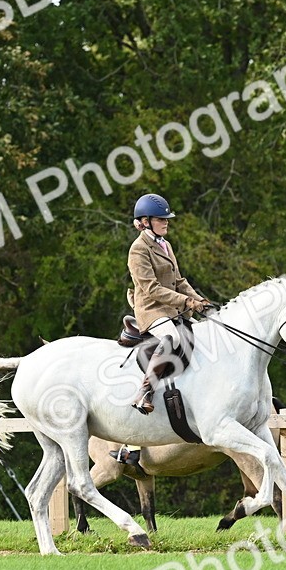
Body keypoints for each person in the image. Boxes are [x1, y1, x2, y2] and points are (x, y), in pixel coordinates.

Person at [114, 194, 213, 464]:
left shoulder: (165, 244)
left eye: (166, 219)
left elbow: (179, 280)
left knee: (200, 336)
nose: (166, 223)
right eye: (161, 219)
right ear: (145, 222)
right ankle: (144, 391)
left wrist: (198, 301)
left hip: (172, 308)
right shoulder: (138, 249)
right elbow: (151, 289)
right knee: (169, 337)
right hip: (151, 309)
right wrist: (186, 301)